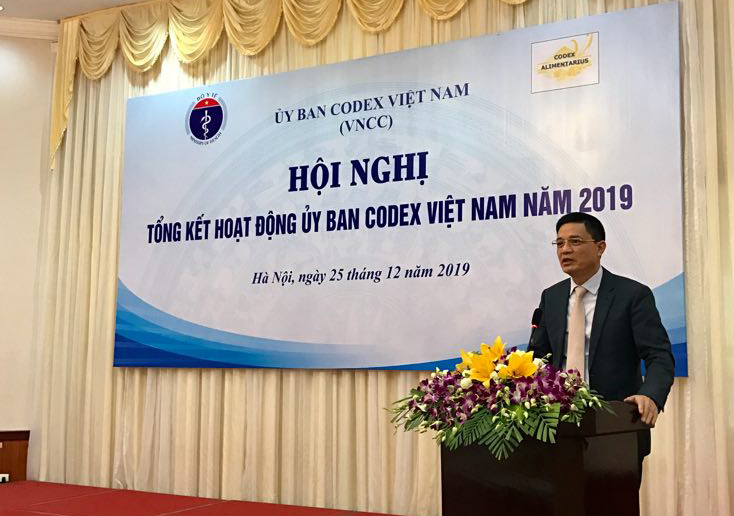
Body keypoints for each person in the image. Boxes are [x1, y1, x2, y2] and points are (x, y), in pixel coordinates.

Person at [528, 212, 675, 479]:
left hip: (614, 426)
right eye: (559, 243)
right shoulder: (552, 297)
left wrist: (650, 396)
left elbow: (659, 355)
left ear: (600, 247)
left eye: (575, 241)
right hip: (556, 427)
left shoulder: (632, 295)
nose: (565, 250)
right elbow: (539, 358)